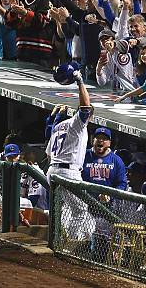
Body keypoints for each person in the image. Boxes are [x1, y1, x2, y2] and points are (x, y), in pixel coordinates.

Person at [47, 63, 95, 240]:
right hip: (68, 172)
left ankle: (56, 239)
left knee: (61, 208)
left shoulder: (58, 125)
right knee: (80, 209)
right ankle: (72, 245)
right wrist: (80, 82)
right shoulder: (77, 124)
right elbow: (84, 108)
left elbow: (47, 154)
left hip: (52, 170)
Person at [82, 127, 128, 196]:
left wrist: (110, 196)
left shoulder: (117, 160)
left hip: (107, 203)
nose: (100, 140)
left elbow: (122, 183)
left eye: (104, 139)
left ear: (109, 143)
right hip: (82, 200)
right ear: (93, 140)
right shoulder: (83, 155)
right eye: (98, 137)